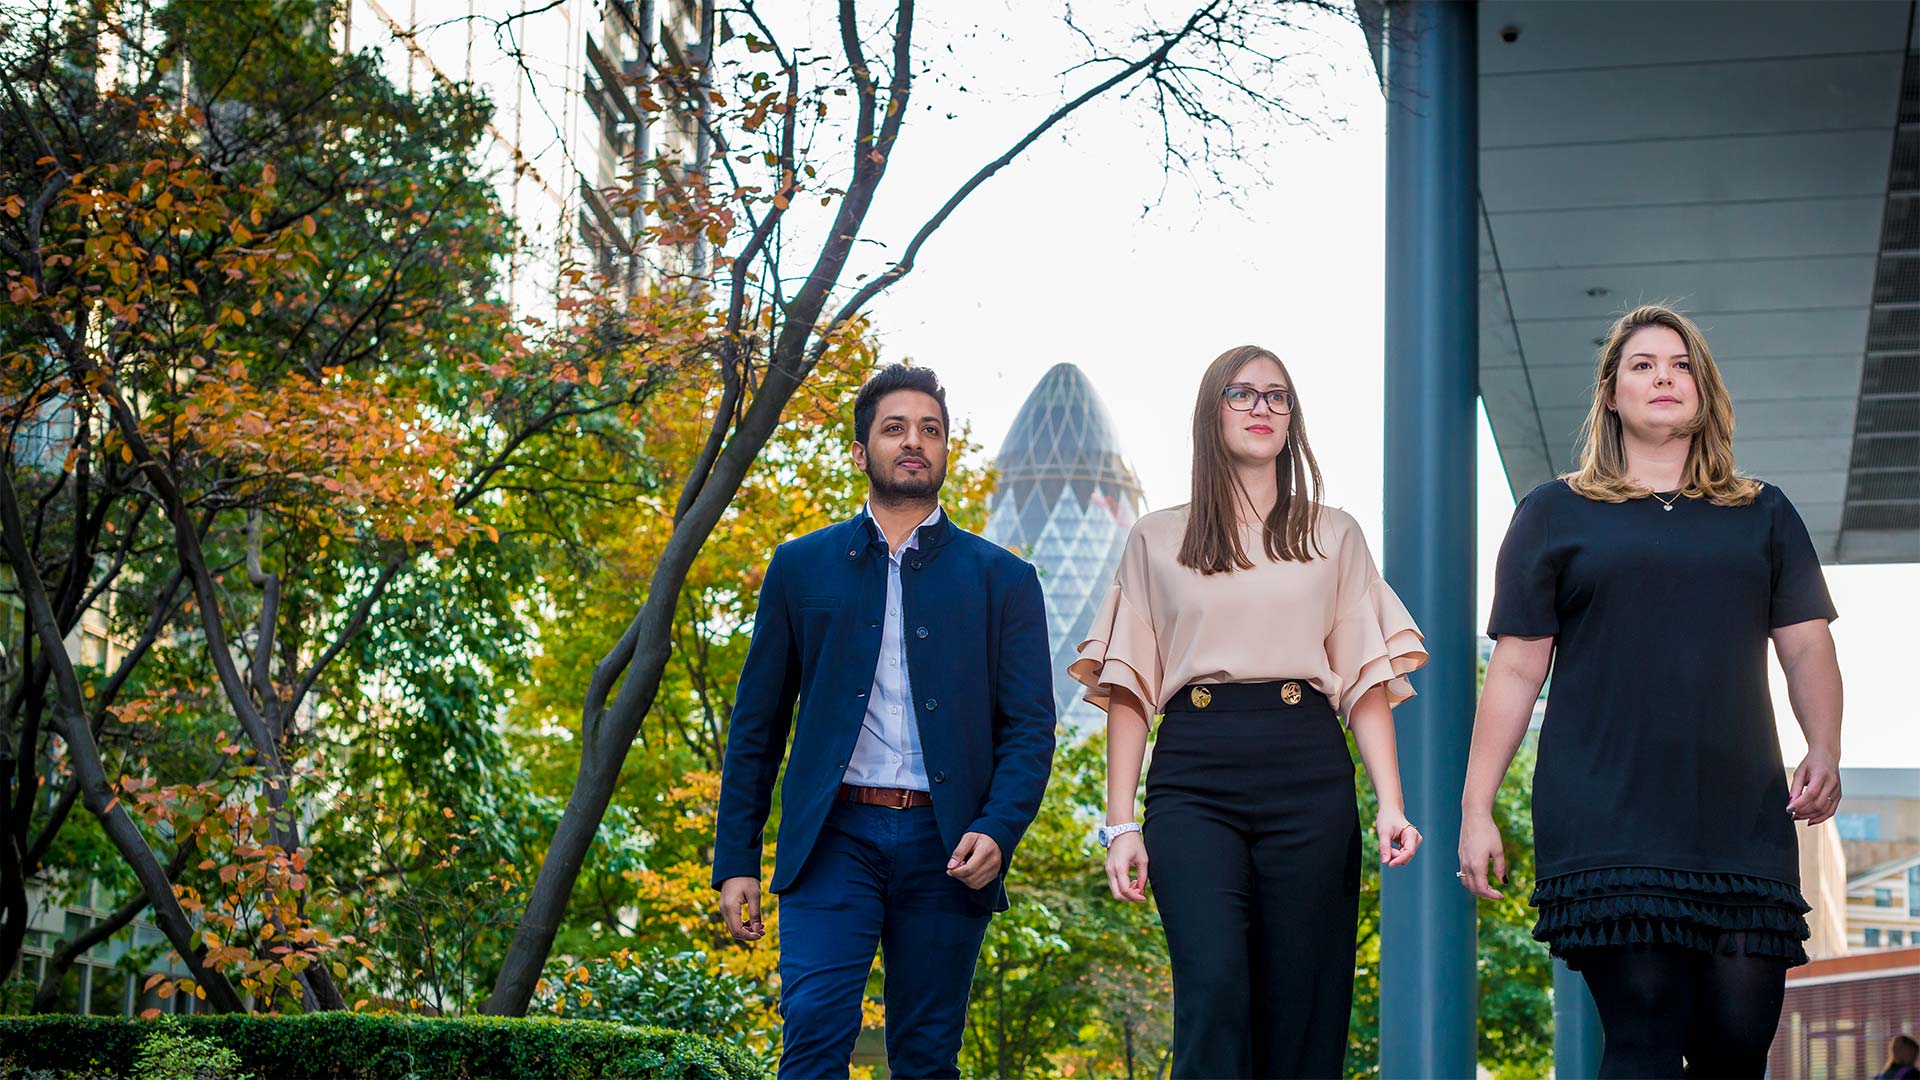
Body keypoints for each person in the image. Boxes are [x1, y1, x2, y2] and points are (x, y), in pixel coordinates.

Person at [1458, 304, 1843, 1079]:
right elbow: (1516, 668)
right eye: (1642, 364)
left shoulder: (1763, 513)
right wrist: (1476, 807)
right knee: (1641, 1044)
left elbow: (1806, 646)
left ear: (1704, 391)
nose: (1664, 376)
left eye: (1680, 364)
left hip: (1741, 821)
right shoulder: (1553, 513)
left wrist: (1825, 746)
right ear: (1610, 394)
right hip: (1608, 816)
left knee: (1736, 1050)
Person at [1071, 344, 1428, 1079]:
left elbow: (1364, 679)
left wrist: (1391, 803)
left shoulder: (1335, 534)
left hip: (1308, 769)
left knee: (1304, 1003)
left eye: (1278, 396)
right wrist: (1121, 823)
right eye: (1243, 393)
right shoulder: (1157, 538)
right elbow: (1132, 688)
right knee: (1215, 989)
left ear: (1292, 420)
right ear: (1212, 413)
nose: (1262, 406)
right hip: (1194, 774)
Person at [711, 364, 1057, 1080]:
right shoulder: (800, 568)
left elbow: (1029, 729)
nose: (914, 442)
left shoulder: (1005, 581)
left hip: (949, 846)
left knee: (927, 1057)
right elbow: (757, 726)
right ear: (860, 450)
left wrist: (999, 826)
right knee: (811, 1037)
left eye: (930, 430)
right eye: (894, 427)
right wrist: (737, 860)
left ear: (946, 452)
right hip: (831, 837)